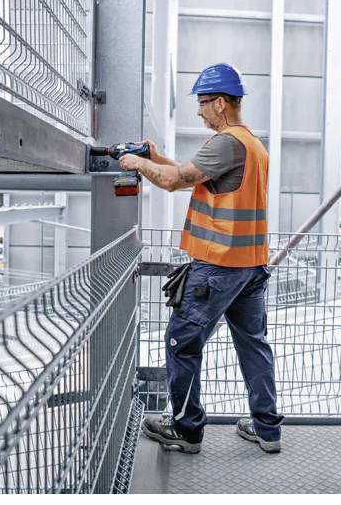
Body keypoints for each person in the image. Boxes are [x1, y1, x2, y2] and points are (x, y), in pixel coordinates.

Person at [118, 63, 284, 454]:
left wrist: (138, 163)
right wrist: (157, 156)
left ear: (221, 103)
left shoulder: (226, 142)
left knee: (182, 343)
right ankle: (267, 429)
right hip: (251, 265)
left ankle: (187, 430)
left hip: (218, 266)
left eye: (203, 103)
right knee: (253, 345)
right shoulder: (252, 144)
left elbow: (176, 182)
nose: (199, 111)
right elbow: (191, 173)